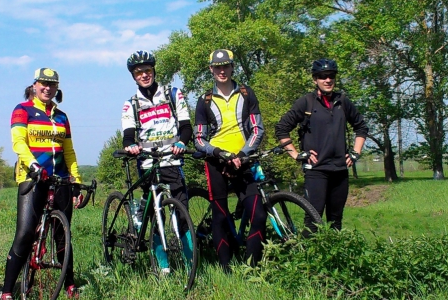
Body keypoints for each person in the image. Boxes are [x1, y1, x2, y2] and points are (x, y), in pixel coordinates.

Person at [0, 68, 83, 300]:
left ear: (57, 88)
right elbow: (19, 143)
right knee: (25, 233)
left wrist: (76, 181)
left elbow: (69, 151)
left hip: (60, 179)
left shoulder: (62, 117)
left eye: (52, 84)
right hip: (32, 177)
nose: (47, 88)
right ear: (34, 85)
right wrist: (33, 165)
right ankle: (7, 293)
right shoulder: (22, 110)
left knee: (63, 234)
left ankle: (69, 284)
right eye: (43, 83)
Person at [193, 49, 268, 268]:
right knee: (220, 216)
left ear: (232, 67)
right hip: (217, 162)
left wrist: (243, 154)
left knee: (259, 215)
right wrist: (219, 153)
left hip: (243, 161)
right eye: (217, 67)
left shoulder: (246, 93)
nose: (222, 71)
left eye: (226, 66)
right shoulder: (204, 100)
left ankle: (251, 269)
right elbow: (199, 139)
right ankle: (225, 269)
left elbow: (257, 129)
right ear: (211, 69)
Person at [120, 50, 193, 273]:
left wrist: (182, 142)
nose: (144, 75)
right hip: (147, 163)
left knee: (182, 213)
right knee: (155, 215)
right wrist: (131, 146)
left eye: (147, 70)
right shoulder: (131, 104)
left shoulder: (173, 94)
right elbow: (128, 135)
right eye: (138, 72)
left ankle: (190, 265)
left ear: (153, 71)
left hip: (172, 160)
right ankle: (163, 268)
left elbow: (186, 126)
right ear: (134, 76)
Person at [275, 58, 368, 230]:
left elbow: (361, 127)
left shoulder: (342, 101)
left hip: (340, 170)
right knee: (313, 220)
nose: (328, 80)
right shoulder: (306, 102)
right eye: (323, 76)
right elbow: (282, 128)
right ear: (315, 79)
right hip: (316, 170)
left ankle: (334, 249)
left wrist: (355, 153)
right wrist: (296, 154)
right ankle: (309, 248)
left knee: (336, 221)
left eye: (331, 76)